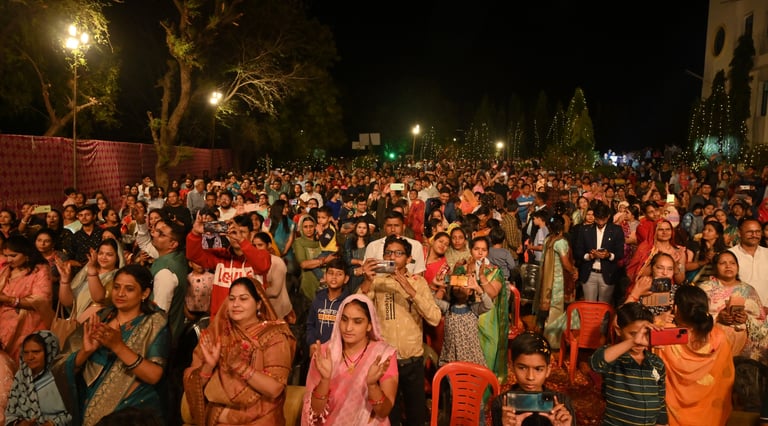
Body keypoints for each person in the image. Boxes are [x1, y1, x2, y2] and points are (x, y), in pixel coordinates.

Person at [52, 265, 170, 426]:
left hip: (131, 415)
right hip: (87, 408)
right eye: (116, 287)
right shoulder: (101, 317)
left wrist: (118, 347)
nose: (120, 293)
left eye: (129, 289)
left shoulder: (154, 323)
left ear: (145, 293)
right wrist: (86, 352)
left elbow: (154, 375)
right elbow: (61, 366)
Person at [183, 277, 296, 425]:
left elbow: (275, 389)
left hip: (260, 419)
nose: (235, 304)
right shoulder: (217, 334)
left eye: (243, 299)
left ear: (258, 304)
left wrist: (240, 366)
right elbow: (195, 385)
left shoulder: (274, 336)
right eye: (232, 299)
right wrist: (209, 366)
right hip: (217, 419)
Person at [358, 235, 441, 426]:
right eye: (388, 253)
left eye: (398, 253)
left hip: (412, 361)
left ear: (409, 258)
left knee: (416, 416)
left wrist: (409, 288)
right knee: (389, 416)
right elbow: (357, 309)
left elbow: (435, 318)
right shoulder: (377, 281)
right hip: (386, 362)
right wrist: (367, 281)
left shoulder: (418, 283)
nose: (393, 257)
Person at [302, 294, 398, 425]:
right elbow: (315, 412)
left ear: (369, 325)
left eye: (357, 321)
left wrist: (372, 386)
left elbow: (383, 411)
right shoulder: (324, 354)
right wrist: (325, 380)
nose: (348, 328)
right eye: (344, 319)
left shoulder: (383, 355)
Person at [656, 285, 734, 426]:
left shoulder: (664, 334)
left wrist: (657, 320)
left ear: (676, 309)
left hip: (672, 419)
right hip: (711, 419)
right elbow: (726, 379)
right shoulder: (719, 337)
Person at [589, 303, 667, 426]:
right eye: (633, 334)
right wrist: (632, 342)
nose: (640, 340)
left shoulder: (656, 362)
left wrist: (662, 423)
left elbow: (660, 398)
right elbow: (596, 363)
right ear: (618, 331)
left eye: (645, 333)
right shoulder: (614, 356)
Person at [186, 213, 271, 317]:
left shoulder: (262, 255)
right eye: (233, 232)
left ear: (251, 235)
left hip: (250, 322)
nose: (236, 235)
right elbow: (194, 255)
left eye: (242, 232)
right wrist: (195, 233)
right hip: (220, 321)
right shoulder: (220, 256)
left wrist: (242, 241)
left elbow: (263, 266)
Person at [452, 236, 508, 383]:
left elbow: (492, 293)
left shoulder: (495, 271)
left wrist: (482, 276)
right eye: (476, 249)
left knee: (486, 358)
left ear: (488, 252)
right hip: (466, 318)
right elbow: (456, 293)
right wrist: (468, 273)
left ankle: (483, 393)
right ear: (471, 250)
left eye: (484, 250)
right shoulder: (461, 269)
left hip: (488, 318)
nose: (480, 253)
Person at [491, 332, 574, 426]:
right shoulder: (501, 404)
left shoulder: (562, 403)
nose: (530, 377)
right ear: (512, 367)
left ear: (548, 370)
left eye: (538, 369)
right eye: (522, 368)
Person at [698, 251, 766, 361]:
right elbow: (694, 316)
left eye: (732, 263)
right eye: (723, 263)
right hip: (713, 343)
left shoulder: (748, 290)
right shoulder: (705, 289)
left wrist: (747, 319)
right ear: (715, 267)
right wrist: (718, 318)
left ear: (737, 267)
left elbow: (762, 320)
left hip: (744, 348)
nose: (728, 266)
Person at [0, 235, 54, 362]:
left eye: (13, 256)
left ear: (26, 254)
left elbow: (41, 300)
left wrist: (9, 300)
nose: (9, 259)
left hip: (29, 324)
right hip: (4, 324)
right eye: (6, 255)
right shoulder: (7, 270)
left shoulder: (40, 270)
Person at [6, 331, 71, 426]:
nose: (30, 357)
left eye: (36, 352)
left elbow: (74, 412)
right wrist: (20, 424)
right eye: (26, 352)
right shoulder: (21, 377)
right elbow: (10, 414)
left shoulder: (60, 375)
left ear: (49, 352)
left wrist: (52, 423)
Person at [434, 267, 492, 367]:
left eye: (464, 285)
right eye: (456, 285)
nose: (460, 287)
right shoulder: (448, 308)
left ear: (470, 292)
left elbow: (488, 305)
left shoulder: (473, 309)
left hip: (471, 357)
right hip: (452, 357)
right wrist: (439, 286)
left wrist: (477, 288)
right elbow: (431, 301)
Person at [56, 238, 122, 323]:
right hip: (74, 321)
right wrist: (65, 280)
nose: (103, 257)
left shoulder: (117, 277)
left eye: (109, 254)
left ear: (117, 257)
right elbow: (67, 302)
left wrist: (92, 272)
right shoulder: (85, 273)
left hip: (97, 322)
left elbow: (98, 299)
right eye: (100, 253)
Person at [538, 216, 578, 348]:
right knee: (557, 311)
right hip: (559, 281)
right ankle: (554, 341)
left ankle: (548, 338)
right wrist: (573, 271)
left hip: (548, 280)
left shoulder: (548, 240)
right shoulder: (561, 242)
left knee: (552, 310)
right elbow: (565, 263)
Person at [573, 203, 625, 303]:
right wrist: (589, 256)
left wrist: (608, 255)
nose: (600, 222)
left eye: (603, 219)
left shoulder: (616, 230)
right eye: (598, 219)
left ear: (608, 216)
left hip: (608, 273)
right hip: (589, 273)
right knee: (589, 305)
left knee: (604, 306)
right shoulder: (585, 230)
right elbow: (578, 250)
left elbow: (620, 252)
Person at [251, 232, 294, 323]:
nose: (257, 248)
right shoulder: (250, 262)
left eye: (260, 245)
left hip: (278, 312)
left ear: (269, 245)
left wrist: (251, 293)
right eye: (254, 246)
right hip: (261, 310)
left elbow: (275, 291)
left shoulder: (277, 262)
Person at [729, 218, 768, 310]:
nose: (754, 235)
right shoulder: (730, 255)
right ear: (739, 233)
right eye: (750, 232)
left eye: (757, 232)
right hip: (740, 312)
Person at [684, 220, 727, 285]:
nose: (705, 232)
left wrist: (715, 259)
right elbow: (686, 267)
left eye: (709, 230)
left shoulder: (725, 251)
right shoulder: (695, 246)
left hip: (716, 284)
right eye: (704, 229)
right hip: (696, 282)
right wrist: (704, 261)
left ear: (717, 235)